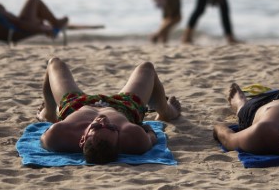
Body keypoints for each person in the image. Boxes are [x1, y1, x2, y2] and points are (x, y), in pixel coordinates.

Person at [36, 57, 181, 164]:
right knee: (147, 67)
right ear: (119, 142)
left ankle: (48, 112)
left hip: (75, 106)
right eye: (112, 128)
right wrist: (147, 129)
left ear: (82, 139)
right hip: (123, 107)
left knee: (54, 63)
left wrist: (53, 122)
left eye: (96, 126)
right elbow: (152, 136)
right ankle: (165, 111)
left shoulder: (57, 135)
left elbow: (43, 137)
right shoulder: (136, 140)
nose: (103, 120)